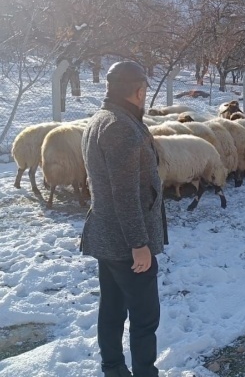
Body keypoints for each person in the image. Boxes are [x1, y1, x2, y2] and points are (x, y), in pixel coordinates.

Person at [81, 61, 168, 377]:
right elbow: (125, 193)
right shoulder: (120, 127)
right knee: (144, 317)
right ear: (139, 90)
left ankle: (114, 370)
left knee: (113, 309)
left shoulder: (101, 119)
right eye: (145, 89)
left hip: (107, 235)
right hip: (125, 243)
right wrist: (139, 243)